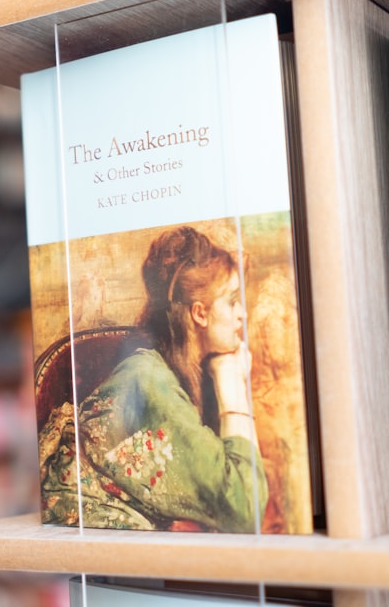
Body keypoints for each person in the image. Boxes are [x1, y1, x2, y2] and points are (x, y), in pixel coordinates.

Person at [38, 225, 268, 532]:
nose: (243, 315)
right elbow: (244, 507)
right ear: (200, 314)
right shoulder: (150, 381)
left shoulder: (174, 370)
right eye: (232, 301)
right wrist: (232, 385)